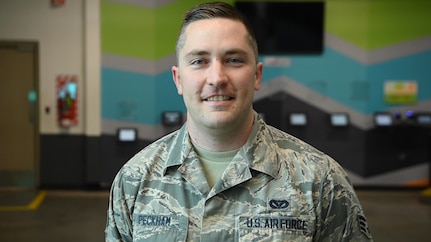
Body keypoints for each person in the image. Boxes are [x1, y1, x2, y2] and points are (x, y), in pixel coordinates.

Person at [105, 2, 373, 241]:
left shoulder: (320, 180)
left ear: (257, 76)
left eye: (233, 60)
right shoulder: (135, 180)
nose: (217, 77)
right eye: (199, 61)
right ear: (178, 79)